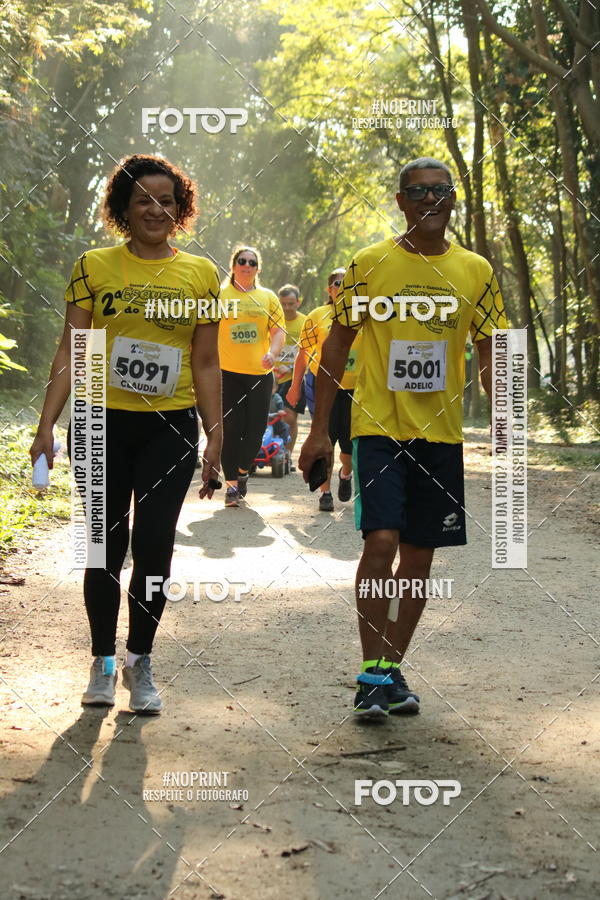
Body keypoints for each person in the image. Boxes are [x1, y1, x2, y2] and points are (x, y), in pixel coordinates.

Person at [299, 157, 506, 718]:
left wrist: (501, 404)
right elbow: (337, 345)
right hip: (378, 429)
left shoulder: (476, 271)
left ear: (454, 199)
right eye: (418, 191)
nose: (430, 200)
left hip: (441, 435)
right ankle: (371, 673)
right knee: (382, 543)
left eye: (441, 191)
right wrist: (319, 430)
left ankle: (389, 670)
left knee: (418, 557)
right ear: (400, 200)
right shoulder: (371, 264)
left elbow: (491, 344)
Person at [29, 153, 223, 714]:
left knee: (156, 545)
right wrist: (47, 425)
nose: (155, 210)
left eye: (166, 201)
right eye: (143, 200)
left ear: (179, 208)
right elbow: (71, 349)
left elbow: (206, 360)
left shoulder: (201, 273)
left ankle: (140, 659)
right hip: (99, 418)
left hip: (171, 422)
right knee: (102, 547)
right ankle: (101, 661)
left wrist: (215, 435)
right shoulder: (94, 266)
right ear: (124, 208)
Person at [287, 269, 361, 512]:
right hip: (323, 388)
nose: (342, 288)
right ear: (329, 290)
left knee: (349, 448)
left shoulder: (363, 314)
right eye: (338, 284)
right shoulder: (317, 316)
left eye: (347, 284)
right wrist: (295, 387)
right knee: (324, 437)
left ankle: (346, 474)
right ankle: (325, 493)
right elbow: (304, 354)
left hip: (355, 390)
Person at [218, 246, 285, 507]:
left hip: (259, 374)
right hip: (227, 373)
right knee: (231, 428)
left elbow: (278, 331)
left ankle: (244, 471)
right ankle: (232, 485)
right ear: (233, 265)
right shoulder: (219, 296)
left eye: (252, 262)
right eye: (242, 261)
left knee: (256, 431)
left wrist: (273, 352)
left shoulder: (267, 297)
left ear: (258, 268)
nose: (247, 265)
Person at [273, 284, 306, 466]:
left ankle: (287, 455)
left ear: (298, 303)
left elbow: (312, 351)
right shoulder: (273, 320)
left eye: (291, 304)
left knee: (289, 417)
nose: (287, 308)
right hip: (272, 377)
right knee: (268, 416)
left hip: (295, 377)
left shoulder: (305, 322)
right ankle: (266, 449)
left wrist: (292, 369)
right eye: (283, 304)